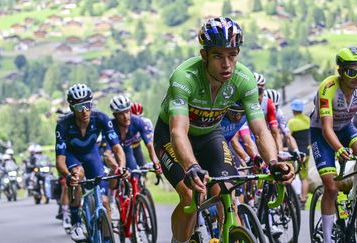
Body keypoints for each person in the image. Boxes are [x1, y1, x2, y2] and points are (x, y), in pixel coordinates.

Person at [153, 16, 294, 243]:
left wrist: (274, 162)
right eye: (218, 55)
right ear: (204, 55)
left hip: (210, 134)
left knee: (227, 192)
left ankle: (232, 236)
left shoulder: (243, 80)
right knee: (190, 195)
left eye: (232, 55)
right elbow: (178, 132)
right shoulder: (184, 77)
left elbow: (259, 129)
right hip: (170, 136)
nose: (227, 64)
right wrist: (191, 167)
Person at [310, 46, 357, 243]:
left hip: (345, 128)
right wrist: (339, 149)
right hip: (322, 133)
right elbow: (327, 129)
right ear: (340, 71)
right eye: (352, 71)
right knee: (332, 187)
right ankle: (328, 239)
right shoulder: (328, 88)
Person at [55, 83, 128, 242]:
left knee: (104, 200)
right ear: (72, 107)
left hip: (91, 154)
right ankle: (76, 222)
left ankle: (107, 238)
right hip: (72, 155)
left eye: (87, 105)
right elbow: (60, 161)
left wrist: (121, 167)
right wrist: (68, 176)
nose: (84, 110)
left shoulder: (101, 118)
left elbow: (117, 148)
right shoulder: (63, 125)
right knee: (77, 175)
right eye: (79, 106)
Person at [110, 95, 161, 172]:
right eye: (121, 114)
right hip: (113, 153)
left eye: (127, 112)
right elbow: (106, 153)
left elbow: (149, 144)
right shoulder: (110, 127)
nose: (126, 116)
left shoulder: (138, 121)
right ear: (115, 115)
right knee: (115, 174)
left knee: (135, 173)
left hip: (127, 150)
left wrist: (156, 162)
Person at [287, 99, 310, 209]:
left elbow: (288, 137)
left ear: (293, 110)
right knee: (304, 177)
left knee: (291, 173)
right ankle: (303, 200)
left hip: (294, 153)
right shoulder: (307, 120)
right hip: (306, 152)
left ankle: (291, 198)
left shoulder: (292, 122)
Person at [130, 102, 155, 167]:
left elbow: (150, 142)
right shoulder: (125, 124)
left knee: (143, 168)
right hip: (126, 147)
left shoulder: (146, 122)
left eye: (140, 117)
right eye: (135, 118)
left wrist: (155, 160)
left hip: (136, 146)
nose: (137, 121)